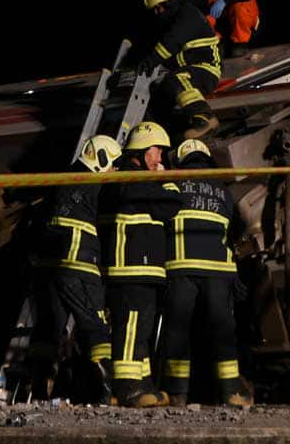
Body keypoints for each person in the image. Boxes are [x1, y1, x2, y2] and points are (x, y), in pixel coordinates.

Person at [158, 139, 252, 407]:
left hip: (180, 269)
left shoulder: (172, 184)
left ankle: (177, 394)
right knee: (222, 333)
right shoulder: (223, 191)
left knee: (178, 332)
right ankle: (230, 392)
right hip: (218, 273)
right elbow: (237, 230)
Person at [33, 135, 122, 403]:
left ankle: (37, 389)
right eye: (114, 164)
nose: (116, 170)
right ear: (102, 159)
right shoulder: (97, 185)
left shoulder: (62, 179)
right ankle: (107, 393)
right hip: (80, 262)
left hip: (50, 266)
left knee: (49, 329)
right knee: (95, 327)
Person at [101, 122, 182, 407]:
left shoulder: (143, 184)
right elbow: (170, 200)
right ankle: (127, 388)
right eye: (157, 151)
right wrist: (161, 183)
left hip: (145, 269)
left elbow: (171, 205)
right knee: (131, 329)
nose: (160, 158)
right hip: (129, 268)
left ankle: (144, 384)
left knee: (142, 331)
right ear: (143, 150)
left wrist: (160, 185)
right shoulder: (126, 179)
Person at [138, 0, 222, 140]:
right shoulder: (174, 19)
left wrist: (150, 61)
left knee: (177, 79)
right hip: (191, 68)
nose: (157, 12)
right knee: (160, 89)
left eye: (159, 7)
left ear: (170, 1)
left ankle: (205, 118)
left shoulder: (188, 15)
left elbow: (171, 42)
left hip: (206, 70)